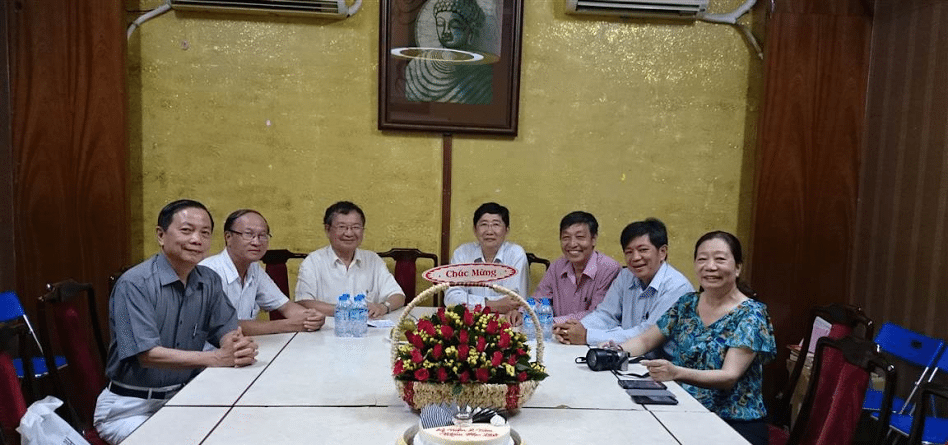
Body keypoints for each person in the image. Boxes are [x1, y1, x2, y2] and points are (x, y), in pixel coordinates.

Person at [94, 199, 259, 445]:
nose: (196, 239)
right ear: (161, 235)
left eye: (205, 233)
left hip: (183, 397)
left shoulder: (209, 280)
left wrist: (235, 347)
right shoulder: (134, 284)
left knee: (244, 430)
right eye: (186, 230)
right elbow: (147, 355)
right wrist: (216, 358)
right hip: (130, 407)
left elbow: (225, 328)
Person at [616, 231, 776, 445]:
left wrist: (676, 373)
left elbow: (728, 376)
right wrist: (615, 352)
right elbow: (645, 341)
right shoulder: (687, 303)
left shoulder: (751, 314)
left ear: (738, 267)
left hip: (733, 423)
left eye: (720, 259)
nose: (710, 266)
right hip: (684, 410)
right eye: (702, 259)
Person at [554, 218, 693, 357]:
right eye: (629, 252)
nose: (635, 257)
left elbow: (646, 335)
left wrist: (587, 336)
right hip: (629, 357)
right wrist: (572, 330)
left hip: (666, 363)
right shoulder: (626, 276)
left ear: (662, 252)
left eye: (643, 250)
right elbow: (606, 315)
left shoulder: (677, 287)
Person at [200, 209, 325, 335]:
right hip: (212, 347)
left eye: (262, 235)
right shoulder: (208, 272)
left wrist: (311, 317)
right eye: (248, 234)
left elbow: (286, 306)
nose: (256, 242)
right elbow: (223, 325)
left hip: (245, 344)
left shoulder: (254, 268)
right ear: (228, 237)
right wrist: (287, 325)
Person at [295, 201, 406, 318]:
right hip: (327, 327)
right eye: (342, 227)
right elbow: (303, 302)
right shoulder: (313, 262)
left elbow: (398, 296)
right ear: (327, 230)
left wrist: (383, 307)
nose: (349, 233)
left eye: (356, 227)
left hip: (369, 327)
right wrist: (347, 311)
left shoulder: (373, 260)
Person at [444, 203, 529, 324]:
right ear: (475, 229)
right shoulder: (462, 253)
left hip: (505, 321)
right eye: (483, 224)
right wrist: (492, 304)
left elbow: (514, 301)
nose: (489, 231)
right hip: (469, 321)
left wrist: (471, 303)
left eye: (496, 224)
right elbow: (451, 297)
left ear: (506, 230)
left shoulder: (516, 254)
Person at [533, 211, 621, 322]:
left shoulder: (609, 269)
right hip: (555, 330)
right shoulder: (557, 266)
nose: (572, 244)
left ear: (593, 239)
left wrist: (554, 322)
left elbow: (598, 314)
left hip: (590, 333)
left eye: (580, 237)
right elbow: (539, 299)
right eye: (566, 237)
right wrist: (522, 312)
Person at [404, 0, 493, 104]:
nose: (446, 31)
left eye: (454, 26)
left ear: (470, 31)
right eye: (440, 24)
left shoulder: (482, 73)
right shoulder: (418, 65)